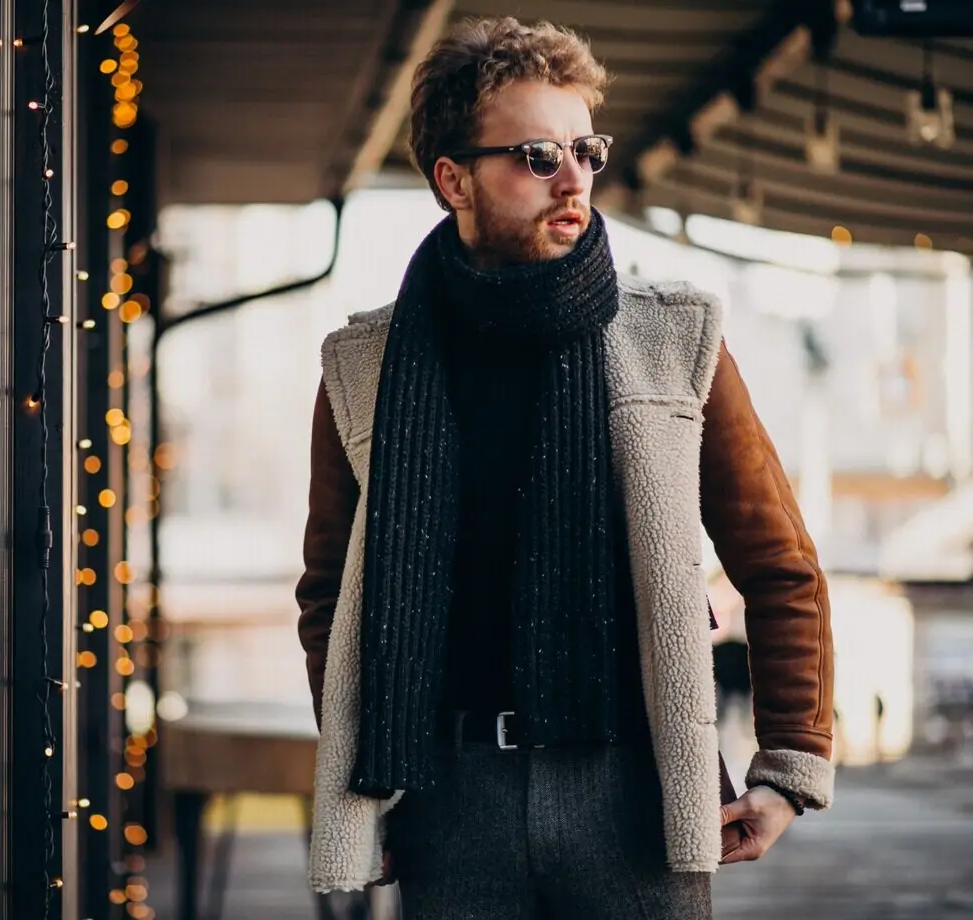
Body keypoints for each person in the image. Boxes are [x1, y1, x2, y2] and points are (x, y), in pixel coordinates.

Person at [295, 16, 835, 919]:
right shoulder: (365, 367)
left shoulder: (673, 340)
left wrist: (788, 770)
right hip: (450, 794)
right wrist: (366, 783)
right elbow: (328, 594)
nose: (575, 177)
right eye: (538, 154)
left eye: (585, 148)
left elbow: (781, 564)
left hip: (635, 791)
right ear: (453, 179)